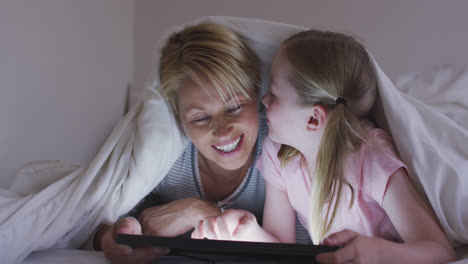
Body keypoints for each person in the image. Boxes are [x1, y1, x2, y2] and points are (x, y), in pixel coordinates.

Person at [192, 29, 456, 263]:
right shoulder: (279, 154)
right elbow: (282, 250)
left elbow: (439, 251)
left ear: (313, 118)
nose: (264, 101)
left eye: (274, 94)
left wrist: (377, 252)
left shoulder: (370, 158)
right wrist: (248, 231)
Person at [92, 23, 310, 264]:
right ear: (180, 119)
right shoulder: (166, 159)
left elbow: (304, 250)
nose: (222, 131)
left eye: (234, 107)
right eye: (201, 118)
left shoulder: (281, 151)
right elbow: (96, 221)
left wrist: (200, 212)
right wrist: (110, 238)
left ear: (257, 94)